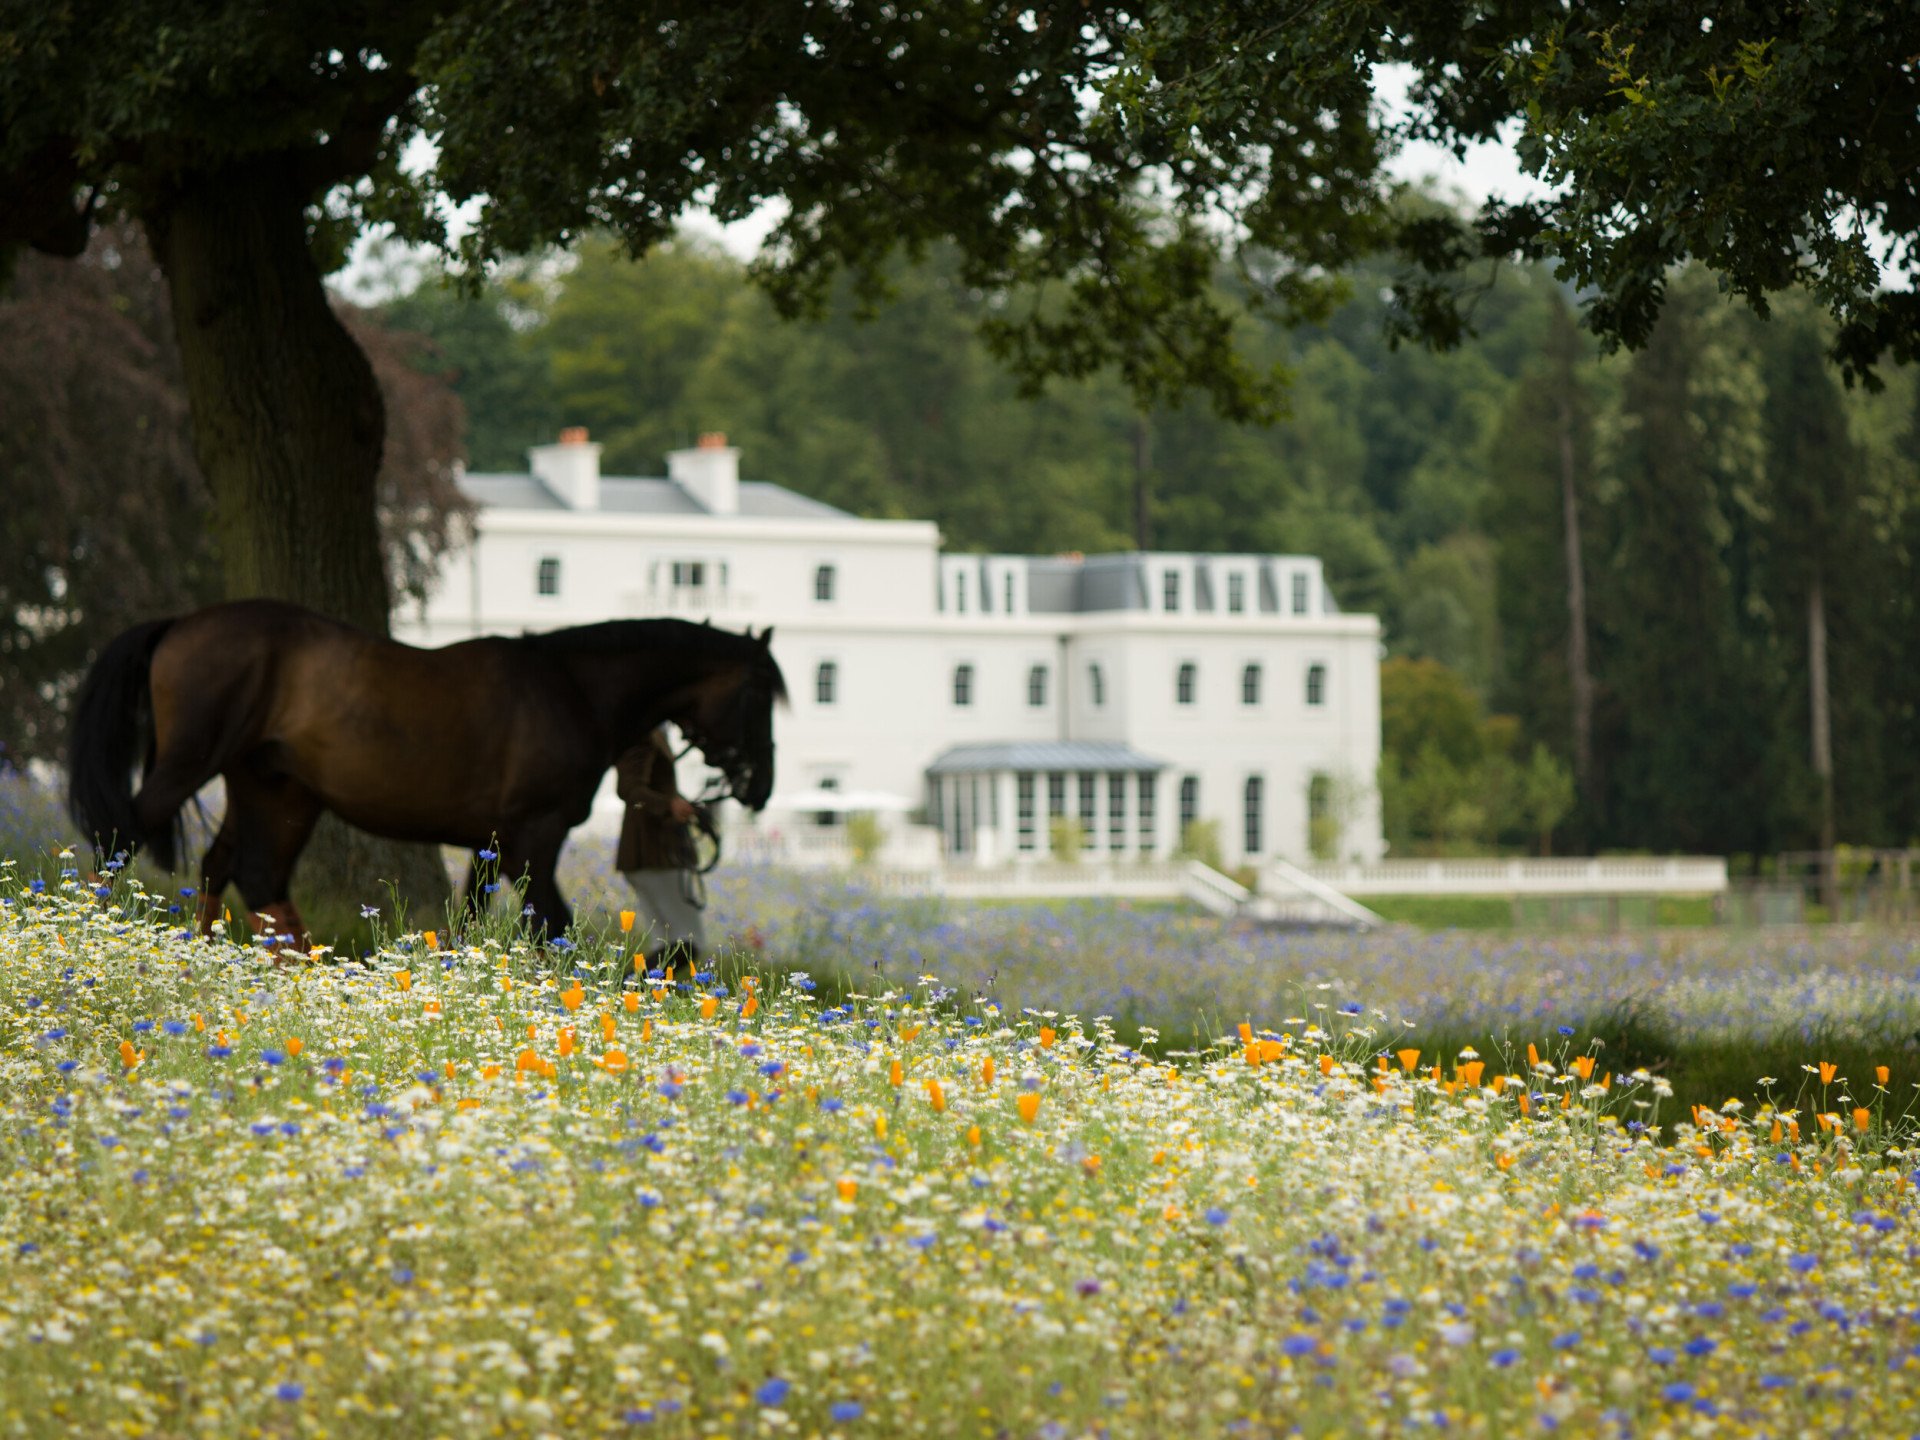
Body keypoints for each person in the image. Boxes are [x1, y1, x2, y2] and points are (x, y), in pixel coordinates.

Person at [614, 727, 707, 973]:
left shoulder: (655, 732)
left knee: (667, 943)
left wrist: (676, 803)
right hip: (653, 853)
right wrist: (669, 806)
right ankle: (627, 992)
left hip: (654, 855)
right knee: (687, 943)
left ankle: (629, 996)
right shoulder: (642, 734)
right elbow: (630, 789)